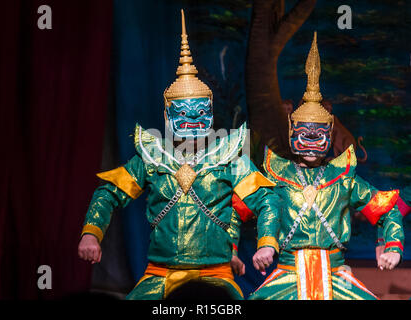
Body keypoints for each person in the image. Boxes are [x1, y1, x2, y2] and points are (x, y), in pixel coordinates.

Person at [77, 10, 279, 300]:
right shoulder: (152, 157)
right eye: (183, 114)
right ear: (166, 115)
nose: (193, 121)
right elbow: (109, 192)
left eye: (201, 113)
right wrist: (91, 233)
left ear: (210, 114)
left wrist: (266, 243)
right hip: (159, 275)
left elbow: (267, 200)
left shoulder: (229, 157)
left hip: (215, 278)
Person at [248, 33, 404, 300]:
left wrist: (392, 246)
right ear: (290, 131)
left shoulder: (343, 177)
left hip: (335, 276)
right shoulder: (275, 174)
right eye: (303, 134)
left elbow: (387, 209)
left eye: (318, 135)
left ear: (330, 133)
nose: (310, 142)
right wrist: (258, 246)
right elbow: (238, 209)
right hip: (287, 275)